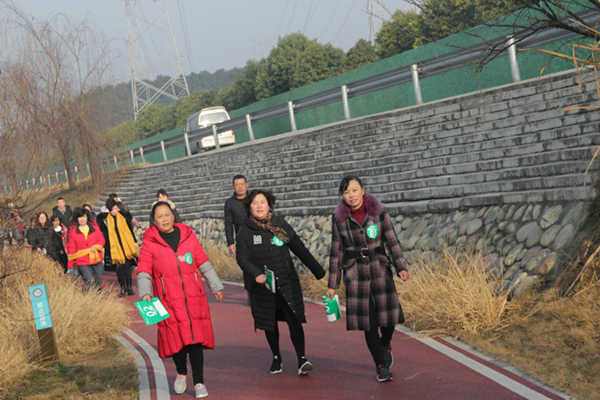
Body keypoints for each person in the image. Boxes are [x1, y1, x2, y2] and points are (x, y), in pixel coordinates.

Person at [325, 176, 409, 383]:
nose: (351, 195)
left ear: (362, 190)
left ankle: (385, 342)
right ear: (342, 196)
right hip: (355, 274)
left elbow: (391, 240)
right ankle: (380, 365)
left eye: (354, 190)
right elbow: (336, 251)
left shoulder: (379, 212)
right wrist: (332, 285)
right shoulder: (338, 219)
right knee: (368, 322)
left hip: (379, 268)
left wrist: (400, 267)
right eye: (346, 192)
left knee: (389, 319)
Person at [137, 201, 223, 399]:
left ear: (173, 215)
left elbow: (202, 261)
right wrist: (145, 294)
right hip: (167, 300)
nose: (164, 219)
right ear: (153, 220)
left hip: (194, 298)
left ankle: (200, 382)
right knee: (177, 342)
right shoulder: (149, 242)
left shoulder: (188, 235)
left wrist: (215, 285)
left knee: (195, 341)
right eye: (160, 216)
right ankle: (181, 372)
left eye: (167, 214)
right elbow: (143, 270)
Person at [236, 189, 325, 376]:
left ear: (269, 205)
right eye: (255, 203)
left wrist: (319, 272)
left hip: (286, 283)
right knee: (270, 323)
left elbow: (299, 248)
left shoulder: (280, 225)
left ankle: (302, 359)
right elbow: (242, 259)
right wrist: (256, 274)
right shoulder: (245, 231)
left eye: (263, 202)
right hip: (263, 287)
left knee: (294, 319)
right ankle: (276, 357)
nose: (259, 206)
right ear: (249, 208)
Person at [97, 198, 138, 297]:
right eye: (113, 209)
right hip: (114, 248)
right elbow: (102, 231)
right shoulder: (105, 220)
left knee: (128, 268)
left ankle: (129, 288)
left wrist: (135, 241)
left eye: (116, 208)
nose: (116, 211)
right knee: (119, 269)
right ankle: (123, 289)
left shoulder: (123, 217)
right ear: (109, 209)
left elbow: (130, 230)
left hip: (126, 246)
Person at [224, 175, 252, 298]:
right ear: (233, 187)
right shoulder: (230, 203)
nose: (240, 187)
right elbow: (228, 224)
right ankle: (251, 292)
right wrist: (231, 243)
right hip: (242, 241)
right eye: (237, 185)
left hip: (258, 237)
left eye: (242, 184)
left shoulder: (254, 198)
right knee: (247, 266)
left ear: (247, 184)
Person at [67, 208, 105, 289]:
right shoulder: (73, 233)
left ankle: (98, 296)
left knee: (99, 280)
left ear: (87, 217)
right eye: (80, 217)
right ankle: (92, 299)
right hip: (82, 261)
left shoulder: (94, 228)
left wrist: (96, 247)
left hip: (96, 257)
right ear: (77, 219)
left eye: (84, 217)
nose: (82, 219)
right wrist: (70, 263)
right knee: (89, 281)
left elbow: (101, 240)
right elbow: (71, 248)